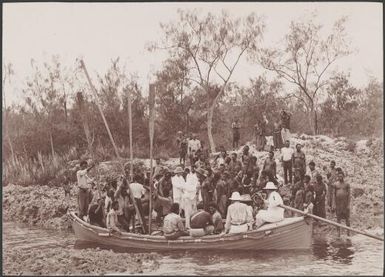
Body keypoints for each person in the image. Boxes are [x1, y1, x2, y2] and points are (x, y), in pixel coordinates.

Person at [332, 170, 351, 237]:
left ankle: (348, 232)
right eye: (339, 176)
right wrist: (333, 204)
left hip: (345, 203)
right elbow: (334, 194)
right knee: (338, 218)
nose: (340, 177)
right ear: (338, 177)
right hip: (338, 203)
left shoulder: (347, 184)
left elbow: (349, 195)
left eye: (341, 176)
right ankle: (338, 233)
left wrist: (348, 204)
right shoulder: (335, 184)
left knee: (347, 218)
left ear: (343, 176)